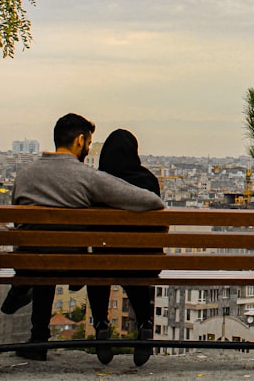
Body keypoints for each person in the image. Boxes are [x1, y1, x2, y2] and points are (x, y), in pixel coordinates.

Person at [3, 113, 164, 362]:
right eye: (88, 143)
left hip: (30, 265)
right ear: (79, 140)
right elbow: (152, 201)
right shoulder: (87, 178)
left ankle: (37, 338)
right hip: (73, 265)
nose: (88, 149)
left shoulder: (25, 175)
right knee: (61, 257)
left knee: (43, 260)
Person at [86, 128, 160, 366]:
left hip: (104, 262)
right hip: (145, 264)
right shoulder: (149, 181)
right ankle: (145, 324)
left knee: (100, 266)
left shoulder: (99, 182)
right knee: (133, 263)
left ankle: (100, 324)